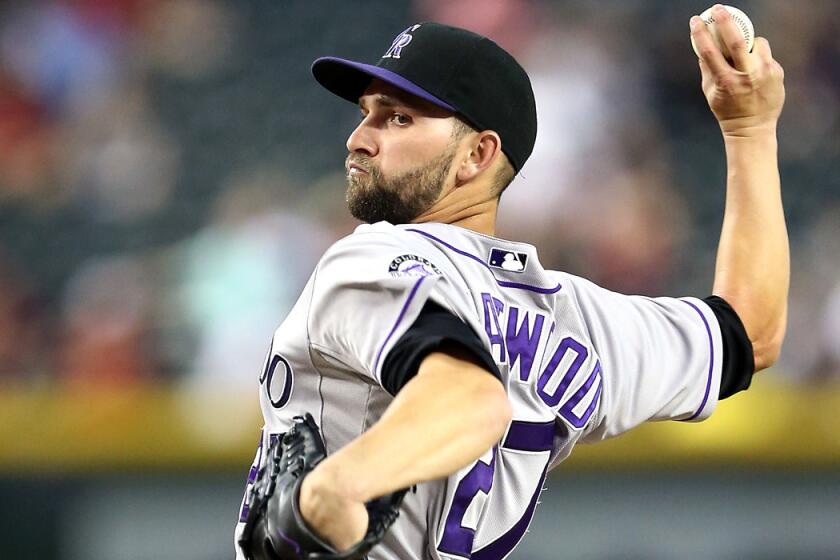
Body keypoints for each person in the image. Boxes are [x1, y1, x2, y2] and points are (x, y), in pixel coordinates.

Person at [234, 8, 787, 559]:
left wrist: (336, 489)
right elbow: (750, 334)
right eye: (366, 113)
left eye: (398, 118)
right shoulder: (572, 317)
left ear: (478, 155)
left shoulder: (370, 259)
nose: (359, 138)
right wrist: (750, 131)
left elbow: (471, 399)